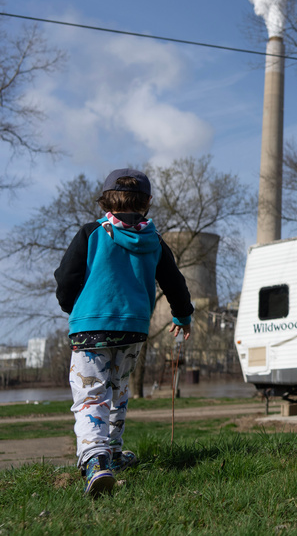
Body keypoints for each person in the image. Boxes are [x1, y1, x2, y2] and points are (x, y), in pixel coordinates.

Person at [54, 168, 194, 497]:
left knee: (91, 396)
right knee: (118, 390)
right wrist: (182, 316)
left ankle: (94, 462)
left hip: (90, 327)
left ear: (106, 200)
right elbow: (174, 282)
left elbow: (65, 278)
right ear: (146, 204)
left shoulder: (92, 233)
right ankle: (113, 454)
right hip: (132, 328)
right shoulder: (153, 241)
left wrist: (73, 307)